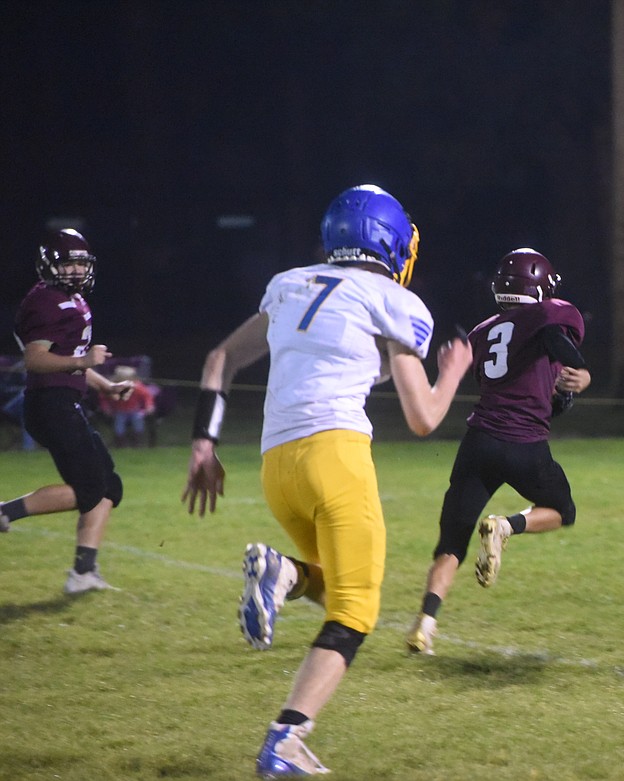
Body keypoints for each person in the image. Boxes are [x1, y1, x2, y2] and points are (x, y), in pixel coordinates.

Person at [182, 184, 472, 776]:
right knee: (357, 612)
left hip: (276, 464)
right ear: (390, 243)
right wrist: (455, 372)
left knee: (336, 590)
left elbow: (219, 359)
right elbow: (424, 417)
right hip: (335, 456)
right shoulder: (392, 301)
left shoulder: (291, 284)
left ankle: (285, 574)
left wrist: (204, 443)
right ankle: (284, 741)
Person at [405, 248, 590, 656]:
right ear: (540, 285)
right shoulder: (550, 315)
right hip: (524, 444)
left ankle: (424, 626)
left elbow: (528, 375)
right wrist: (581, 370)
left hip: (478, 443)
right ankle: (507, 526)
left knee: (451, 541)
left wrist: (554, 391)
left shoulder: (482, 332)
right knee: (563, 510)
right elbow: (555, 338)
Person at [0, 229, 135, 593]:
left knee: (109, 487)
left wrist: (106, 385)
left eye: (80, 263)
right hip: (50, 404)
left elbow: (70, 361)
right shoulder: (44, 302)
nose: (76, 270)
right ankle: (4, 512)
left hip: (65, 402)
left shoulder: (72, 300)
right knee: (91, 487)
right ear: (49, 265)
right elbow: (36, 359)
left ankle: (84, 573)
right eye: (68, 263)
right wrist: (85, 359)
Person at [98, 364, 156, 447]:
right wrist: (106, 408)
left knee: (138, 422)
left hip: (134, 410)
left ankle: (137, 442)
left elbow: (147, 396)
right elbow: (103, 397)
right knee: (119, 426)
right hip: (119, 411)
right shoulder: (113, 387)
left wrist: (149, 406)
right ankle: (120, 443)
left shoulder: (137, 388)